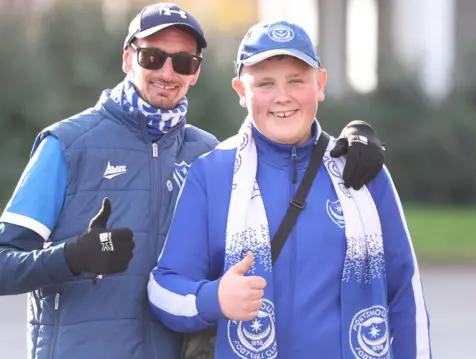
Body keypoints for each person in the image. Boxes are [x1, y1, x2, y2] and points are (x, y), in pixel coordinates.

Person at [0, 3, 387, 359]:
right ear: (128, 58)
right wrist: (71, 257)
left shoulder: (207, 154)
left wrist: (352, 138)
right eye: (153, 57)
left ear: (196, 72)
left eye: (184, 62)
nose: (167, 72)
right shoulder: (67, 145)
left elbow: (287, 146)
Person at [147, 19, 432, 359]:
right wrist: (215, 298)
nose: (282, 97)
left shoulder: (361, 169)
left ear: (320, 84)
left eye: (296, 81)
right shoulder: (211, 174)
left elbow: (405, 295)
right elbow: (163, 289)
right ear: (241, 91)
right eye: (265, 83)